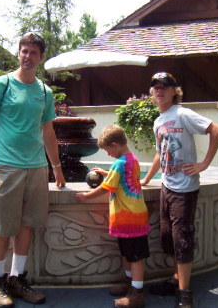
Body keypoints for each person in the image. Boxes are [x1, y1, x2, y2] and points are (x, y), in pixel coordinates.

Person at [0, 33, 65, 308]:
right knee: (4, 227)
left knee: (27, 225)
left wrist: (57, 168)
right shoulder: (1, 85)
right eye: (23, 51)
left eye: (33, 52)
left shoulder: (44, 92)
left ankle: (17, 278)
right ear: (18, 53)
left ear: (41, 58)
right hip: (6, 167)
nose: (27, 56)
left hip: (36, 168)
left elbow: (48, 131)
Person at [141, 72, 218, 308]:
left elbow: (216, 130)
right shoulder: (159, 120)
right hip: (167, 186)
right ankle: (176, 279)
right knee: (169, 238)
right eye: (155, 87)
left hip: (185, 189)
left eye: (164, 87)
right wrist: (147, 178)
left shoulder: (183, 114)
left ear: (174, 91)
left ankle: (184, 293)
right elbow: (160, 152)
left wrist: (204, 164)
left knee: (182, 240)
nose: (159, 90)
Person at [76, 125, 150, 308]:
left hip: (129, 219)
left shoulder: (119, 163)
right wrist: (107, 173)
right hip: (134, 217)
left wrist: (86, 197)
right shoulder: (131, 159)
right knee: (127, 255)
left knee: (135, 257)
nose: (108, 154)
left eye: (108, 150)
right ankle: (129, 284)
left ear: (115, 145)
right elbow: (123, 177)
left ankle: (137, 294)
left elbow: (105, 188)